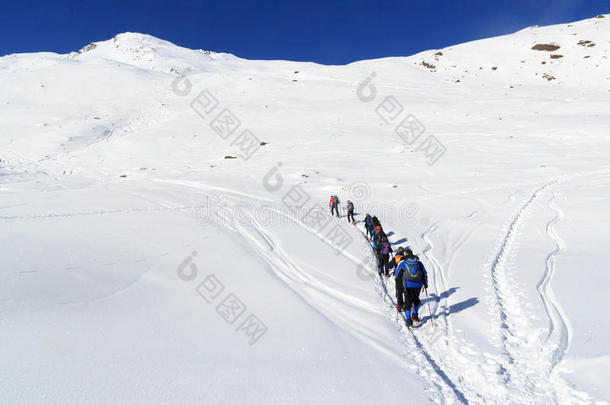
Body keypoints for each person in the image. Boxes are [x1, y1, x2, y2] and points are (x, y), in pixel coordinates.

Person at [395, 249, 428, 327]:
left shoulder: (404, 263)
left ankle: (409, 320)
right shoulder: (419, 263)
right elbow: (424, 273)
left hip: (407, 286)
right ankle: (415, 316)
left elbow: (397, 275)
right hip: (418, 285)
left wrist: (399, 283)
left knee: (407, 302)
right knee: (416, 300)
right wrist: (425, 283)